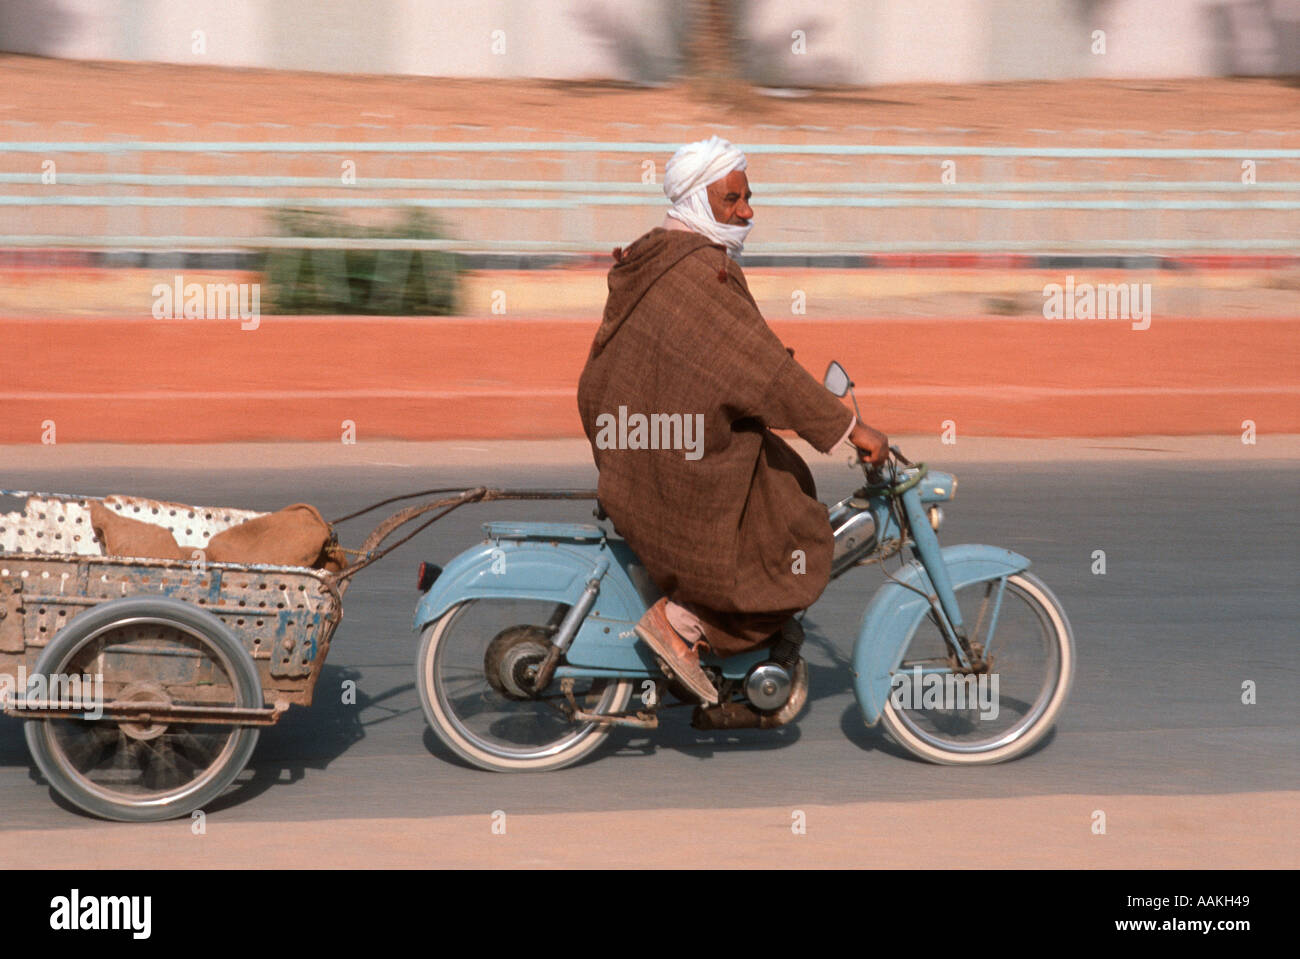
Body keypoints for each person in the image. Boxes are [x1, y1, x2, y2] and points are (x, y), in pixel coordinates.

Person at [576, 135, 888, 706]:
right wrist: (848, 428)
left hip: (632, 437)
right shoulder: (699, 273)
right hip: (673, 452)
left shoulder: (659, 253)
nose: (746, 210)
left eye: (747, 196)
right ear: (697, 201)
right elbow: (763, 371)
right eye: (731, 200)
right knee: (788, 522)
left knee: (774, 470)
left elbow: (748, 358)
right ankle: (684, 624)